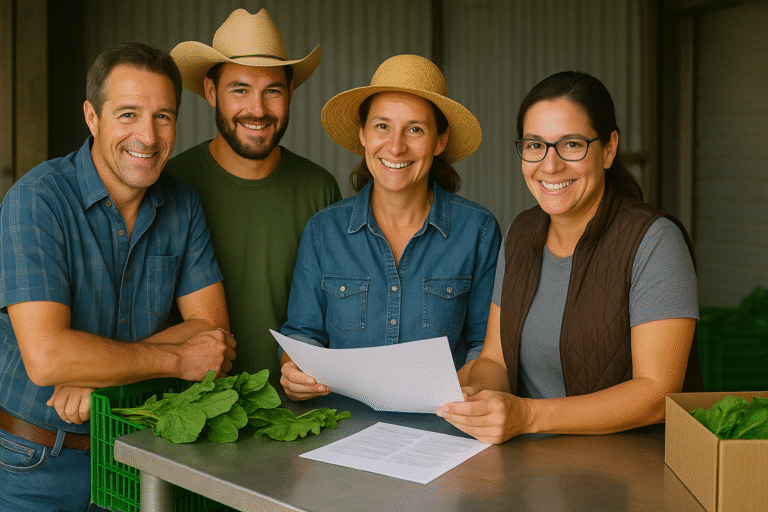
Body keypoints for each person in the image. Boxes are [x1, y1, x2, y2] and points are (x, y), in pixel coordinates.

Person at [0, 43, 235, 511]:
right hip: (35, 462)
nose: (147, 137)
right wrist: (176, 360)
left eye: (163, 116)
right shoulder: (37, 200)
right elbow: (47, 358)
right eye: (128, 114)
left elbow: (213, 333)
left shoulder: (182, 205)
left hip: (136, 458)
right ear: (92, 117)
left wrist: (98, 377)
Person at [437, 71, 702, 444]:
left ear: (609, 149)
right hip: (527, 472)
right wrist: (480, 397)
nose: (550, 165)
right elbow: (495, 360)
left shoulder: (654, 241)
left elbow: (658, 394)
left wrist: (526, 415)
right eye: (535, 145)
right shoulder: (520, 234)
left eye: (572, 145)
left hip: (626, 479)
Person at [279, 54, 501, 401]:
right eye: (382, 126)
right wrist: (294, 374)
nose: (396, 146)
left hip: (443, 430)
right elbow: (302, 336)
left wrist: (465, 394)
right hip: (342, 427)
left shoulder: (479, 231)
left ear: (439, 141)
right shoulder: (324, 231)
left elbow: (484, 347)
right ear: (363, 135)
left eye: (415, 129)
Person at [166, 8, 342, 388]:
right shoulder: (172, 183)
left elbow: (334, 314)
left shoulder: (320, 189)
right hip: (190, 408)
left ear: (290, 92)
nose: (258, 110)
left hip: (297, 409)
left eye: (272, 91)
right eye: (240, 90)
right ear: (212, 92)